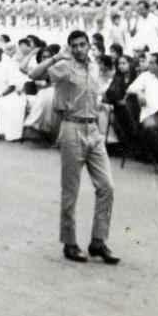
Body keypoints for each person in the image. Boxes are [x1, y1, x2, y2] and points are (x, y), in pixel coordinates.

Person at [30, 30, 119, 265]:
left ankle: (98, 241)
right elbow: (33, 74)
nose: (79, 49)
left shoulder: (94, 67)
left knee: (107, 187)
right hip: (72, 127)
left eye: (82, 44)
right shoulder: (64, 66)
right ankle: (69, 243)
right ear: (70, 47)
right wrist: (56, 57)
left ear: (89, 45)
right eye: (75, 46)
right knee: (71, 190)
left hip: (94, 130)